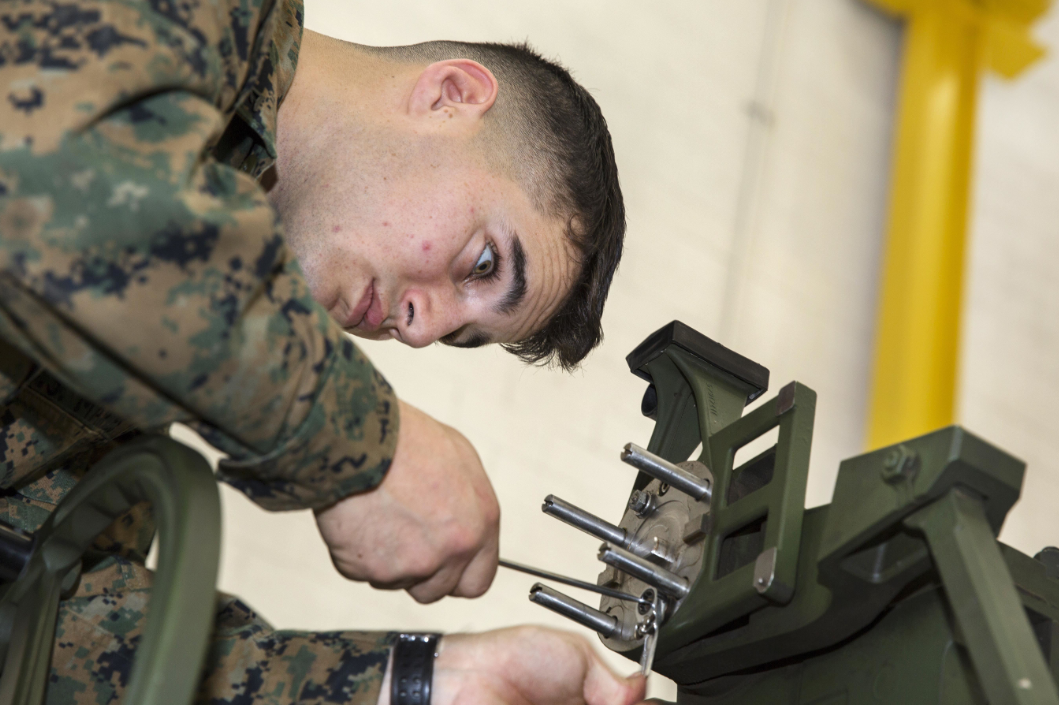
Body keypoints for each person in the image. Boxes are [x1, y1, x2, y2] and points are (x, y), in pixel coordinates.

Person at [0, 0, 644, 703]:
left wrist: (419, 684)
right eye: (482, 261)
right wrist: (361, 443)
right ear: (449, 96)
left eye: (460, 334)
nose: (420, 331)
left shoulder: (146, 370)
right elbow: (41, 169)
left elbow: (47, 625)